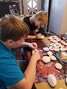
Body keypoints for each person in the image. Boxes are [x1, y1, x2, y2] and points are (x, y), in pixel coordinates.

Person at [0, 16, 40, 89]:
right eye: (22, 40)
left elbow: (15, 44)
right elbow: (26, 86)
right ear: (10, 42)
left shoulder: (4, 39)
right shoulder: (3, 59)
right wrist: (34, 59)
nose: (23, 41)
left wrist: (27, 44)